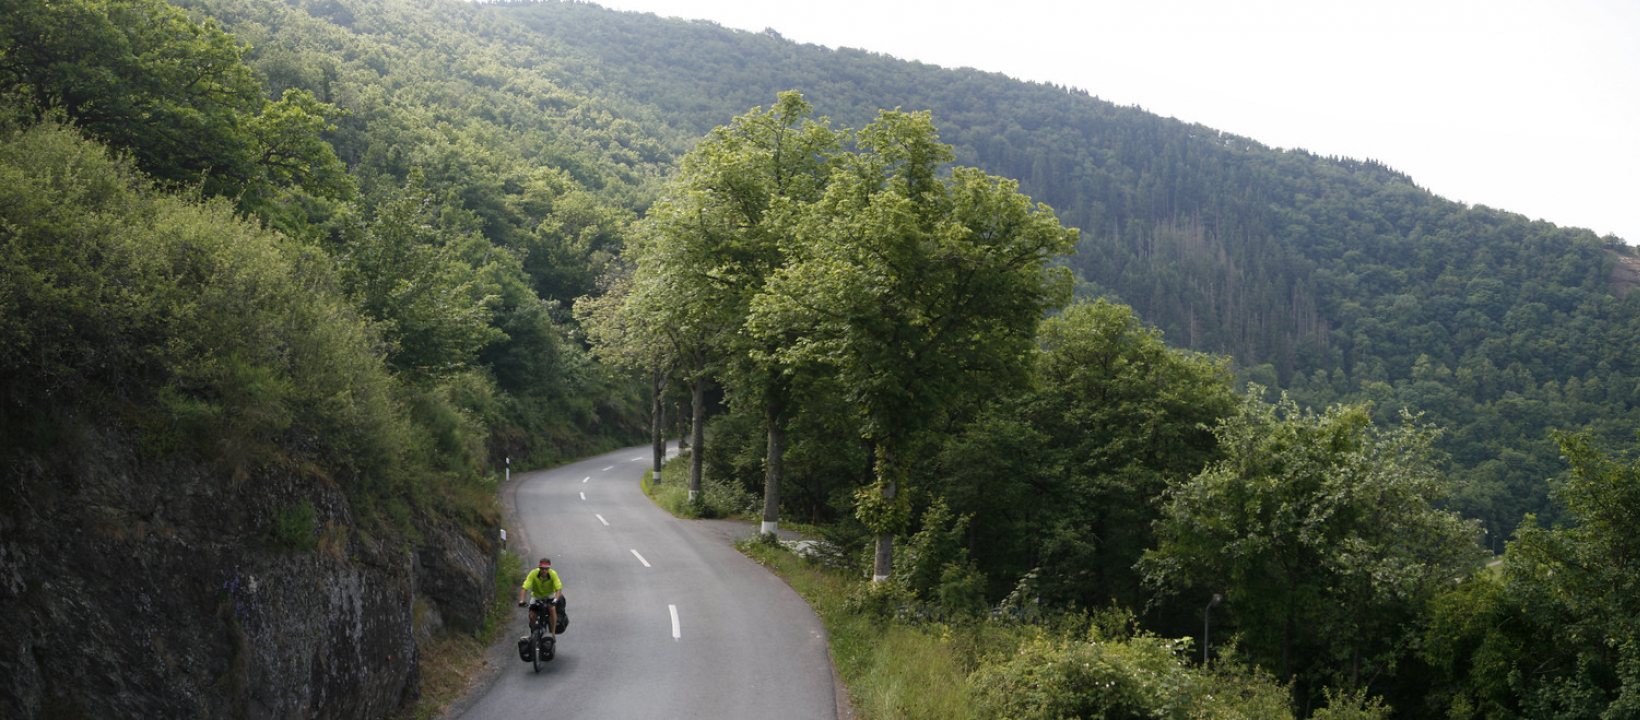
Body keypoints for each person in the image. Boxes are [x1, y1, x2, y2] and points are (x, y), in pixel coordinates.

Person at [517, 557, 563, 637]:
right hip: (536, 596)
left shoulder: (553, 574)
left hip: (549, 595)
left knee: (552, 609)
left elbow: (558, 589)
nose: (544, 571)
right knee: (532, 615)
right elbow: (524, 588)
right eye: (542, 569)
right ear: (539, 568)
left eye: (546, 569)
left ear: (549, 568)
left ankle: (552, 633)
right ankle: (533, 631)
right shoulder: (533, 573)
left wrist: (555, 600)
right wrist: (521, 601)